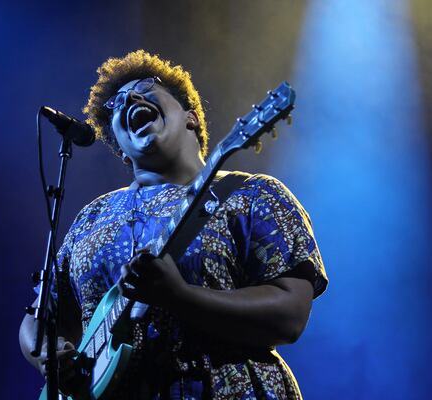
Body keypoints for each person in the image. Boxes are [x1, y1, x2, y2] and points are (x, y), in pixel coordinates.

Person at [20, 49, 328, 399]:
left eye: (146, 89)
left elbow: (290, 314)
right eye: (116, 104)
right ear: (120, 148)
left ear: (191, 118)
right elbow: (38, 318)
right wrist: (47, 355)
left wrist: (181, 297)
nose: (129, 100)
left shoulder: (253, 194)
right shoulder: (91, 217)